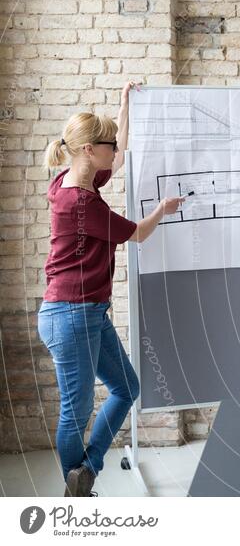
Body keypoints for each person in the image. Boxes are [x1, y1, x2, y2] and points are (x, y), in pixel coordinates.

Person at [37, 81, 185, 497]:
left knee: (127, 388)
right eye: (109, 145)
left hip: (87, 312)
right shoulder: (83, 204)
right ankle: (77, 490)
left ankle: (84, 471)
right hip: (69, 314)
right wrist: (162, 209)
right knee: (77, 410)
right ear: (89, 150)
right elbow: (137, 233)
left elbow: (115, 160)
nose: (115, 150)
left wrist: (124, 106)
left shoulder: (71, 181)